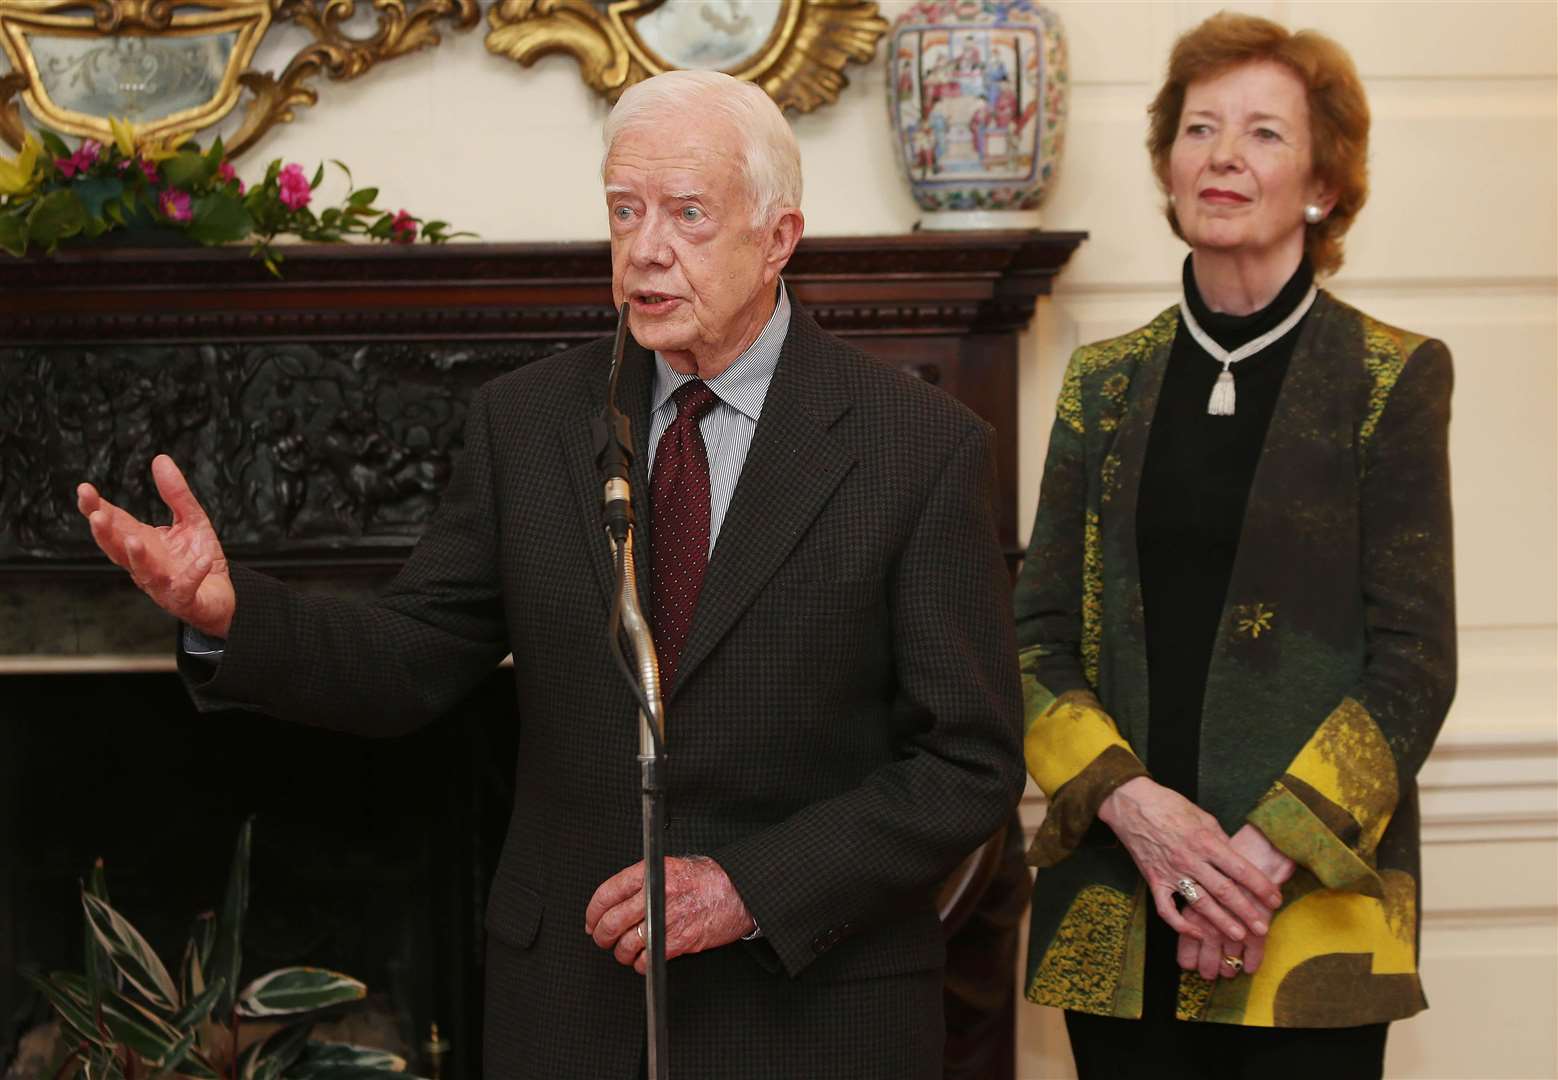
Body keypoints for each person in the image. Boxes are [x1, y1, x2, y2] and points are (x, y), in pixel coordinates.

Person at [75, 70, 1023, 1080]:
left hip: (812, 1011)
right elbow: (411, 656)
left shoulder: (917, 447)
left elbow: (964, 767)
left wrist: (750, 886)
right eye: (625, 210)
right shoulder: (528, 423)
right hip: (573, 1004)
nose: (645, 248)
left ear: (778, 236)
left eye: (687, 215)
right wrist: (230, 611)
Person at [1013, 12, 1454, 1078]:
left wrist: (1253, 862)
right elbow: (1034, 642)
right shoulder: (1102, 383)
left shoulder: (1390, 379)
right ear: (1168, 168)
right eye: (1199, 128)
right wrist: (1138, 811)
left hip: (1305, 921)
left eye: (1262, 132)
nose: (1221, 154)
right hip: (1120, 904)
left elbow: (1412, 669)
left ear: (1321, 184)